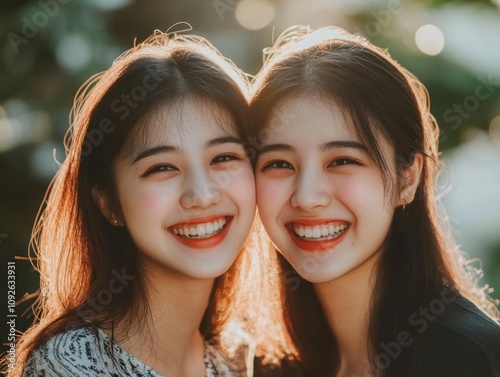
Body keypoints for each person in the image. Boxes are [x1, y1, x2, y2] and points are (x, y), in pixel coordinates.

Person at [6, 27, 261, 377]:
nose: (202, 194)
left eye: (223, 158)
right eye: (162, 167)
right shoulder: (68, 365)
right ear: (108, 203)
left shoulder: (235, 356)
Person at [250, 25, 500, 377]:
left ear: (407, 179)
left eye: (342, 161)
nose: (306, 197)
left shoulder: (471, 359)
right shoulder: (270, 362)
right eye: (279, 164)